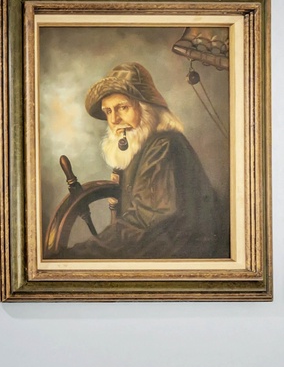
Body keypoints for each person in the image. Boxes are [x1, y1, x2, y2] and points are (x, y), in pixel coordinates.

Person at [61, 62, 228, 259]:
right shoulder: (140, 145)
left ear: (147, 108)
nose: (114, 120)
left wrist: (80, 255)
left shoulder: (163, 146)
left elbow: (144, 222)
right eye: (108, 111)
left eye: (122, 107)